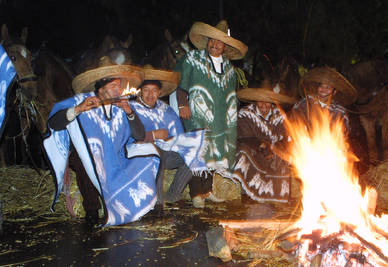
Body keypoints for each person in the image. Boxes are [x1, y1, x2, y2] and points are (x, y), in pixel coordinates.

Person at [44, 56, 161, 227]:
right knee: (85, 161)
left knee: (149, 153)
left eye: (119, 86)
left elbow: (139, 135)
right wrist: (77, 110)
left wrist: (130, 113)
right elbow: (54, 123)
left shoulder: (123, 105)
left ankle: (134, 203)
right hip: (89, 153)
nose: (118, 89)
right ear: (100, 86)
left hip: (116, 155)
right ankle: (91, 209)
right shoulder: (82, 101)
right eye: (113, 86)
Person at [171, 20, 248, 208]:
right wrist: (182, 104)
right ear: (207, 42)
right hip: (198, 113)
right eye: (211, 41)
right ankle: (196, 192)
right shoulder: (193, 59)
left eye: (219, 42)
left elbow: (230, 94)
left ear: (225, 46)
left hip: (220, 117)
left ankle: (207, 190)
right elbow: (180, 82)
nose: (214, 45)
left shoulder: (230, 69)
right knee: (200, 150)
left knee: (216, 150)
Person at [131, 65, 209, 208]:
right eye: (146, 90)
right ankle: (158, 203)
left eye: (154, 90)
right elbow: (129, 136)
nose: (150, 95)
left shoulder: (166, 109)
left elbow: (178, 134)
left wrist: (175, 140)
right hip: (142, 155)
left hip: (168, 152)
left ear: (160, 92)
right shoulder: (132, 109)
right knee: (156, 153)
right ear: (140, 91)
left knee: (196, 151)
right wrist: (154, 135)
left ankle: (173, 194)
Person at [233, 84, 296, 202]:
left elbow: (284, 136)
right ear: (255, 101)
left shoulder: (279, 114)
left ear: (273, 103)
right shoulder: (245, 113)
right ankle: (250, 193)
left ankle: (277, 194)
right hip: (254, 147)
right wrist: (261, 144)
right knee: (243, 152)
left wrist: (273, 147)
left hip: (274, 148)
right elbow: (244, 136)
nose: (264, 106)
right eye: (260, 102)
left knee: (286, 153)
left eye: (268, 102)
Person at [292, 67, 357, 136]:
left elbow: (344, 133)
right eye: (321, 86)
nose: (323, 90)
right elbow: (292, 121)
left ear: (334, 92)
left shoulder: (339, 111)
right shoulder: (305, 103)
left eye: (328, 87)